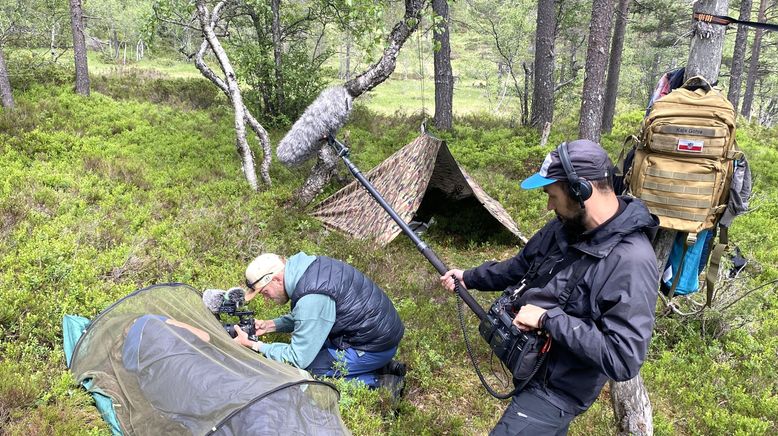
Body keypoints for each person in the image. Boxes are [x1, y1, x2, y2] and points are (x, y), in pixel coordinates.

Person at [440, 140, 659, 435]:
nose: (548, 206)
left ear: (581, 190)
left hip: (558, 391)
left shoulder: (631, 261)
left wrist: (547, 319)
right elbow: (519, 268)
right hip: (531, 370)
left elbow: (623, 358)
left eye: (552, 195)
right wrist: (469, 277)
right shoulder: (564, 226)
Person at [233, 251, 406, 390]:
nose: (266, 299)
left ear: (276, 279)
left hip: (373, 348)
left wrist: (255, 345)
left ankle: (382, 382)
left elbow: (298, 359)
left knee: (307, 373)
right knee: (315, 351)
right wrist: (271, 325)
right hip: (376, 336)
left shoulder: (312, 297)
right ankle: (381, 366)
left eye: (264, 292)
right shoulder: (308, 268)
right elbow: (312, 316)